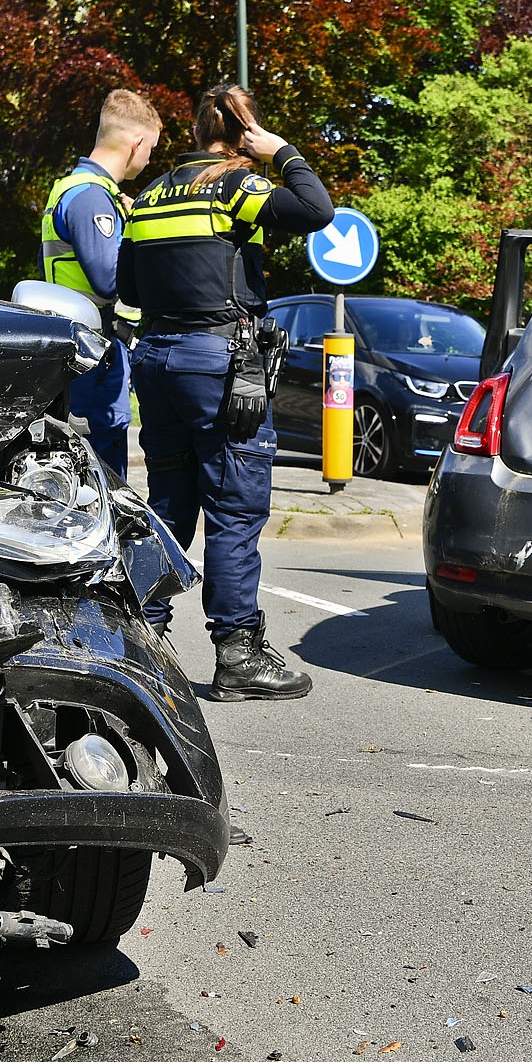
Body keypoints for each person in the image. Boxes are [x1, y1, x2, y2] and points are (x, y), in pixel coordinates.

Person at [117, 84, 334, 701]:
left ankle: (138, 643)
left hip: (156, 362)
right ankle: (239, 654)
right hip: (218, 365)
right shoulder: (237, 186)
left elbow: (129, 285)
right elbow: (318, 211)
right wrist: (283, 152)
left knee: (169, 507)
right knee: (235, 509)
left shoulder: (150, 197)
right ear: (244, 134)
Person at [40, 88, 162, 479]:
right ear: (136, 143)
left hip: (87, 353)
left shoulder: (80, 190)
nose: (148, 159)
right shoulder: (92, 197)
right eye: (150, 149)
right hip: (95, 354)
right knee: (101, 477)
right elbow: (110, 280)